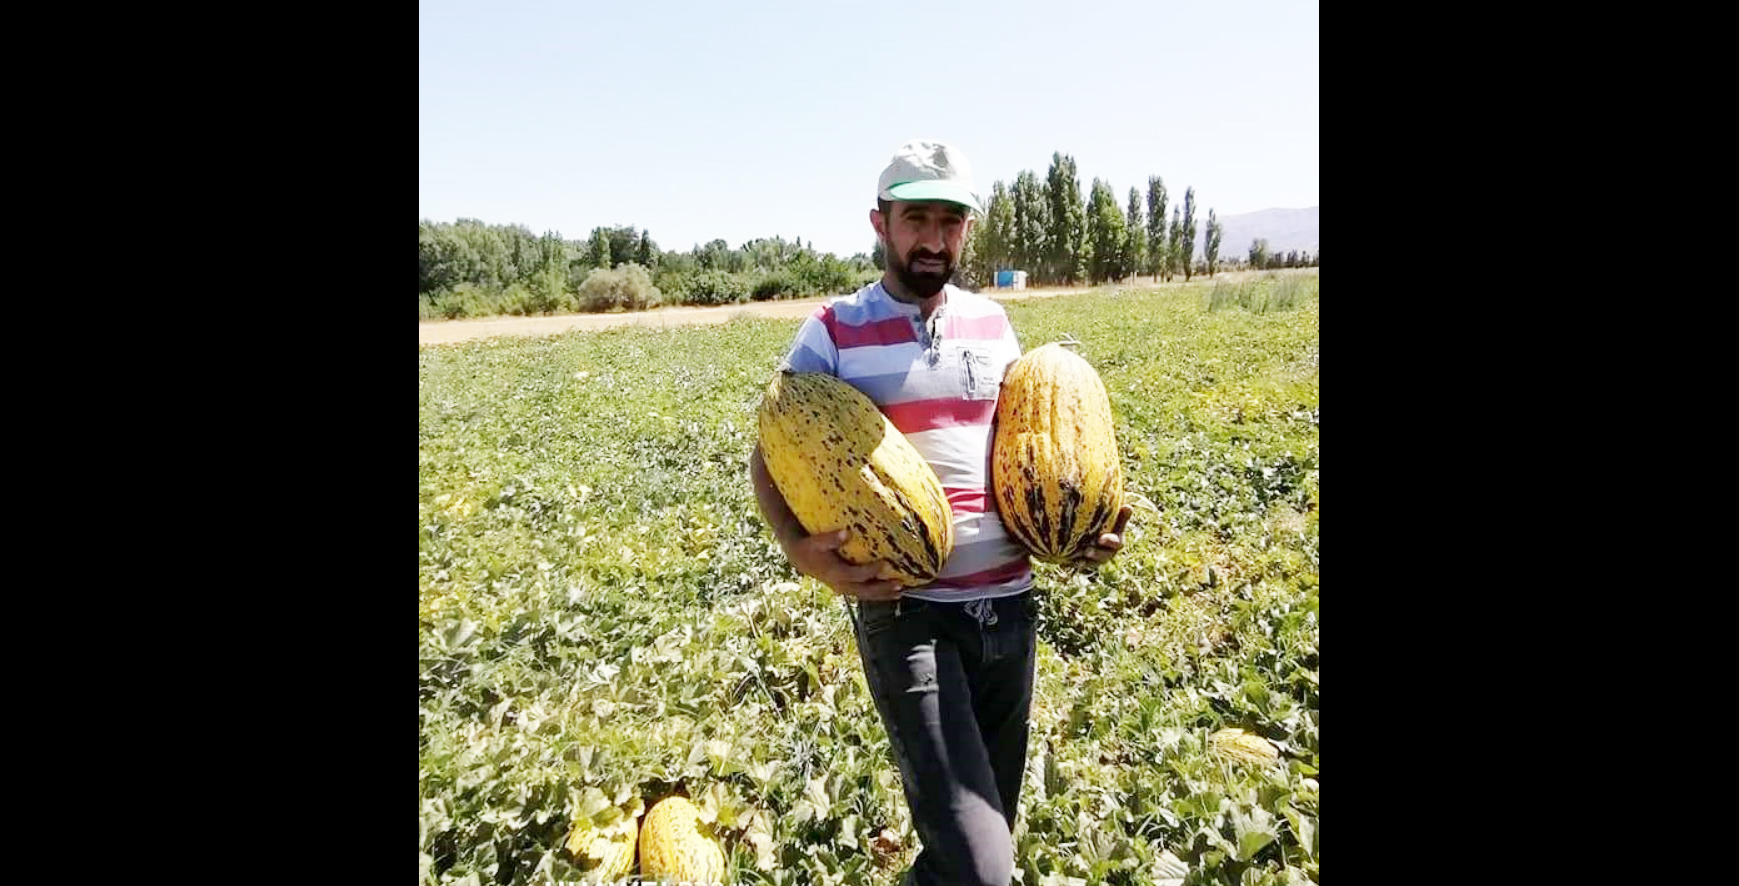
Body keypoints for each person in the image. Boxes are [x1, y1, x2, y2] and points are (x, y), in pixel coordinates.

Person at [748, 139, 1133, 886]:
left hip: (1010, 609)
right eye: (915, 218)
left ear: (966, 229)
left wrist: (1084, 526)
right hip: (909, 615)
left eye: (949, 220)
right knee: (983, 865)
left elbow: (1042, 444)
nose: (933, 237)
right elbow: (771, 445)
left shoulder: (993, 325)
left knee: (981, 838)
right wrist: (797, 548)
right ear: (880, 223)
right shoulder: (833, 329)